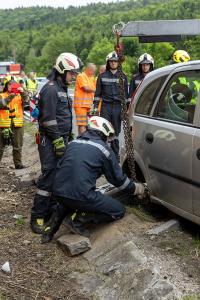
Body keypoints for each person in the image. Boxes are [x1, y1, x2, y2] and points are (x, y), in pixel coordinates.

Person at [41, 116, 146, 243]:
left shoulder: (73, 143)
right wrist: (137, 188)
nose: (108, 140)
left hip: (58, 191)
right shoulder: (103, 149)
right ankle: (79, 220)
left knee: (66, 202)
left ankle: (48, 232)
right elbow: (119, 181)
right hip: (81, 194)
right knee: (118, 210)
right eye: (108, 136)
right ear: (103, 133)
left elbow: (62, 168)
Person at [30, 52, 83, 234]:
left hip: (61, 139)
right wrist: (59, 140)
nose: (74, 76)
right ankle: (36, 217)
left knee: (58, 178)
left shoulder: (61, 88)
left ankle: (50, 213)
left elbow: (63, 117)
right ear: (62, 70)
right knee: (48, 178)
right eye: (71, 73)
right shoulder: (51, 89)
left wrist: (69, 136)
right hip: (50, 141)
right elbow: (48, 119)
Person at [92, 51, 128, 159]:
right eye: (111, 61)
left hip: (117, 107)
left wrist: (125, 109)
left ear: (118, 63)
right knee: (103, 130)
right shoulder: (101, 76)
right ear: (108, 63)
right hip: (105, 107)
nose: (113, 63)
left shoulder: (123, 77)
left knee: (116, 132)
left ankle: (115, 155)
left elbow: (125, 96)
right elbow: (97, 94)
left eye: (115, 61)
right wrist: (95, 108)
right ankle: (102, 154)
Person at [0, 80, 28, 168]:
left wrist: (22, 92)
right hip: (3, 124)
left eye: (13, 85)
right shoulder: (2, 95)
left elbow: (27, 101)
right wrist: (10, 96)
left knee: (18, 146)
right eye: (9, 85)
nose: (11, 86)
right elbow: (1, 104)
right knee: (0, 147)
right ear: (6, 86)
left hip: (17, 124)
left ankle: (18, 164)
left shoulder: (20, 95)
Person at [74, 63, 96, 135]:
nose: (94, 73)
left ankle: (81, 138)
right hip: (81, 105)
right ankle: (82, 140)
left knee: (86, 124)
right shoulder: (81, 76)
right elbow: (85, 88)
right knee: (82, 124)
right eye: (93, 71)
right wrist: (95, 90)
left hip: (88, 105)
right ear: (89, 70)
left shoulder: (91, 78)